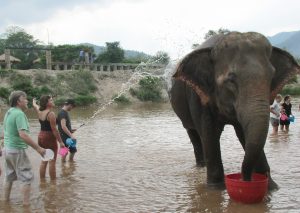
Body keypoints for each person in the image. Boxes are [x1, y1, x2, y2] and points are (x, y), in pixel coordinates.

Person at [2, 91, 45, 206]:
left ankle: (5, 202)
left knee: (9, 177)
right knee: (26, 177)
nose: (27, 101)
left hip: (7, 150)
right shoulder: (19, 114)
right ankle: (26, 206)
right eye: (25, 99)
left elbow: (3, 133)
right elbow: (23, 135)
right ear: (18, 101)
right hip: (17, 150)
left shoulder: (9, 112)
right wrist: (38, 149)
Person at [32, 95, 65, 180]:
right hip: (49, 137)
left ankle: (42, 181)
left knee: (44, 160)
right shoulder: (51, 114)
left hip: (40, 136)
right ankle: (53, 183)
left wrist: (34, 102)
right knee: (52, 161)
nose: (53, 101)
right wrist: (61, 142)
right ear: (47, 103)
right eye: (51, 100)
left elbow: (35, 106)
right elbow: (54, 130)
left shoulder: (40, 111)